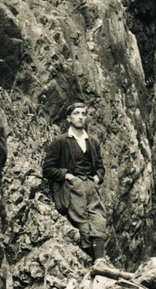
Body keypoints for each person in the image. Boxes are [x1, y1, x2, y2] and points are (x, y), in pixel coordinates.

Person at [42, 101, 109, 263]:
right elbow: (47, 169)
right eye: (76, 113)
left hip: (91, 188)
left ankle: (100, 265)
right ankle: (90, 264)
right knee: (82, 223)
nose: (80, 117)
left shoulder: (92, 141)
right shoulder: (60, 142)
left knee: (99, 220)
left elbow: (100, 167)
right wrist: (66, 176)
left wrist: (97, 177)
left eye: (83, 114)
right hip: (71, 188)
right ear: (69, 118)